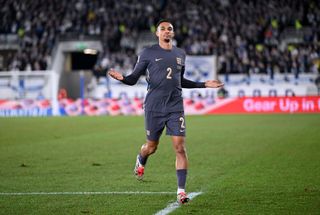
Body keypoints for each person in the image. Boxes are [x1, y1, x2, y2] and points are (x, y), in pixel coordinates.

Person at [108, 19, 224, 204]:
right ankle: (141, 158)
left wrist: (204, 84)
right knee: (151, 147)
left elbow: (181, 81)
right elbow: (132, 79)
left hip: (175, 106)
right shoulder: (148, 53)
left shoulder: (180, 54)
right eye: (163, 29)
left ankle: (181, 191)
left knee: (180, 147)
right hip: (154, 107)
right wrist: (122, 78)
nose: (167, 31)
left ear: (173, 33)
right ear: (157, 33)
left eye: (170, 29)